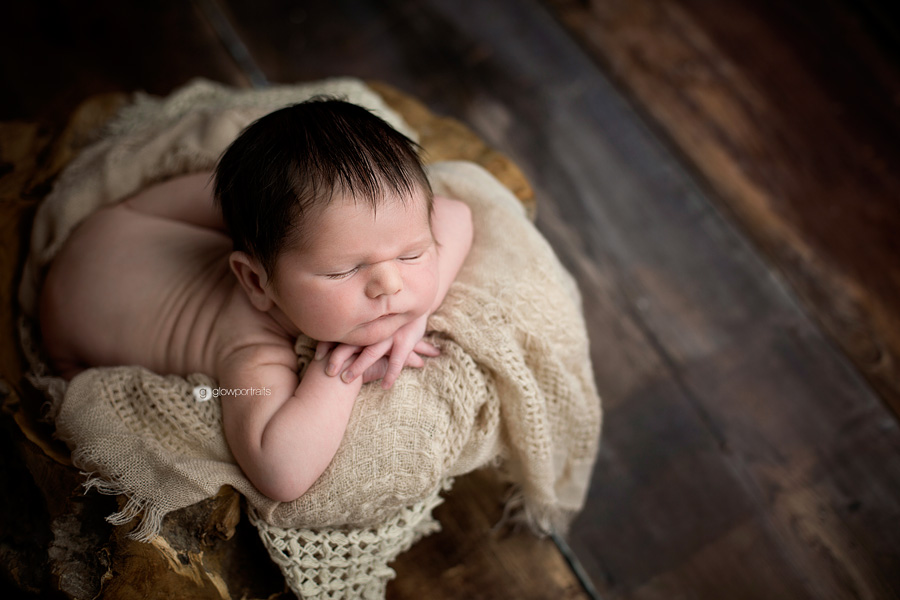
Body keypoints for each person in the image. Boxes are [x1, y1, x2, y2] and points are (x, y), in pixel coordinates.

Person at [38, 98, 474, 502]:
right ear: (255, 282)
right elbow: (280, 471)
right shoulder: (248, 348)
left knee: (271, 204)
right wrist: (341, 364)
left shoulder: (363, 255)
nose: (391, 284)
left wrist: (419, 314)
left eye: (412, 254)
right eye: (344, 271)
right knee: (268, 204)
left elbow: (457, 214)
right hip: (75, 317)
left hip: (128, 226)